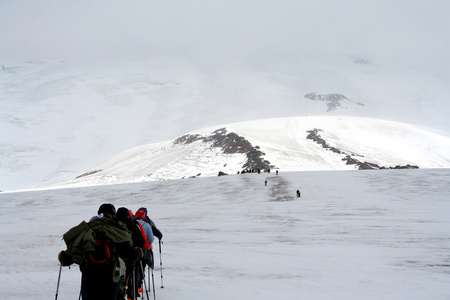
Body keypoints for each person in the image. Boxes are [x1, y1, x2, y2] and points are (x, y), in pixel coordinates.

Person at [58, 203, 151, 300]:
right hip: (109, 278)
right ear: (113, 214)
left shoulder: (87, 230)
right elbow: (130, 252)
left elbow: (70, 255)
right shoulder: (115, 231)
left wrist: (63, 257)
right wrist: (139, 253)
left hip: (89, 279)